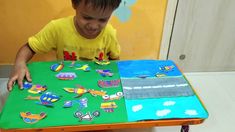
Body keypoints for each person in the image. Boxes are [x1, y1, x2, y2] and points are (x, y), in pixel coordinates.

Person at [7, 0, 122, 91]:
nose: (93, 26)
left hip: (97, 84)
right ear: (74, 4)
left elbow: (115, 59)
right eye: (87, 18)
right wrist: (19, 64)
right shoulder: (57, 28)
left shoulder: (109, 33)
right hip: (66, 82)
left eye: (103, 20)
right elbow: (29, 47)